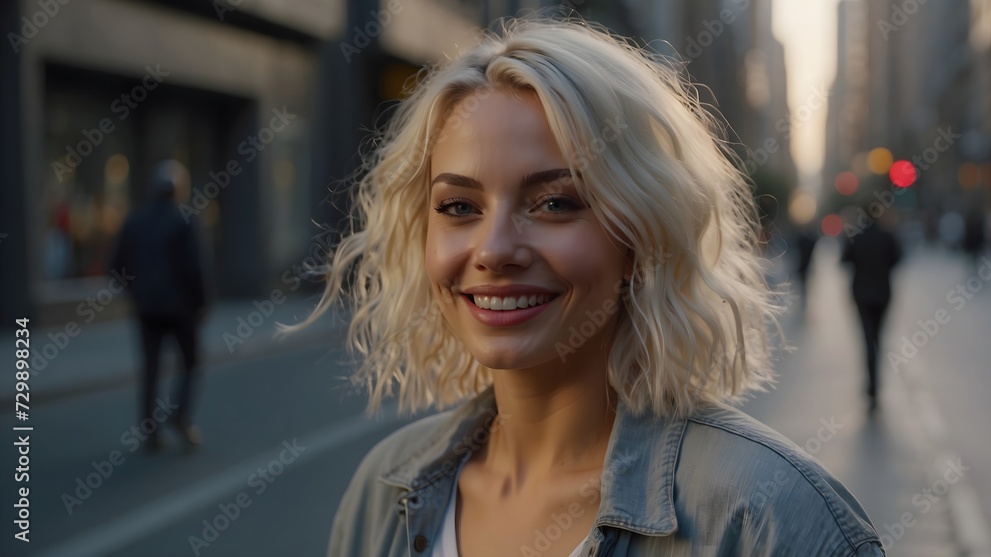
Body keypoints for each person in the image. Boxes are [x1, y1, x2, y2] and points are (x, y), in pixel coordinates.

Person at [295, 18, 884, 555]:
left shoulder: (764, 517)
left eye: (555, 202)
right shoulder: (384, 491)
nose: (495, 249)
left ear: (638, 239)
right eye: (458, 206)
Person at [109, 160, 209, 451]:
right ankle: (180, 414)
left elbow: (115, 265)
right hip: (181, 309)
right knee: (189, 363)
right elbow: (196, 268)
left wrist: (135, 291)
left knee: (151, 369)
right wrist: (202, 303)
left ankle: (149, 431)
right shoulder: (185, 220)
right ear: (177, 189)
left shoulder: (135, 221)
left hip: (147, 308)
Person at [841, 211, 902, 411]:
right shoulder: (887, 236)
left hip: (862, 295)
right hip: (883, 294)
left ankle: (872, 383)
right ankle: (875, 382)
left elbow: (844, 260)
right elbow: (898, 259)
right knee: (878, 338)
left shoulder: (856, 237)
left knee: (867, 340)